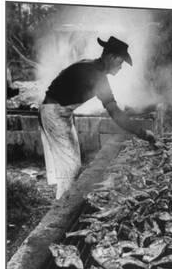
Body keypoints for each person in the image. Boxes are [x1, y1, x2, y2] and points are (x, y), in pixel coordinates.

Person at [39, 36, 156, 199]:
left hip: (61, 113)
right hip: (53, 112)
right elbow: (115, 114)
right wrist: (143, 133)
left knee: (72, 163)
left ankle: (67, 199)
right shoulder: (95, 74)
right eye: (120, 62)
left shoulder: (94, 69)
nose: (121, 67)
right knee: (70, 166)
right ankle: (63, 206)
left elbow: (114, 109)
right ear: (111, 57)